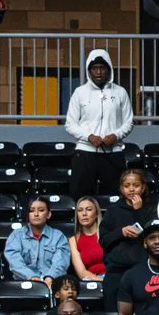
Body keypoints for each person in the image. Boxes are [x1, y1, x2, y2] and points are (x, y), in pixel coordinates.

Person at [63, 49, 135, 204]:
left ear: (109, 69)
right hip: (85, 152)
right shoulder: (80, 92)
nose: (98, 72)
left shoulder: (120, 92)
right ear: (89, 70)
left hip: (113, 152)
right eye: (94, 68)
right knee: (81, 199)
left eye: (102, 68)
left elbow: (128, 122)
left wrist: (115, 135)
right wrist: (89, 136)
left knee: (115, 199)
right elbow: (70, 124)